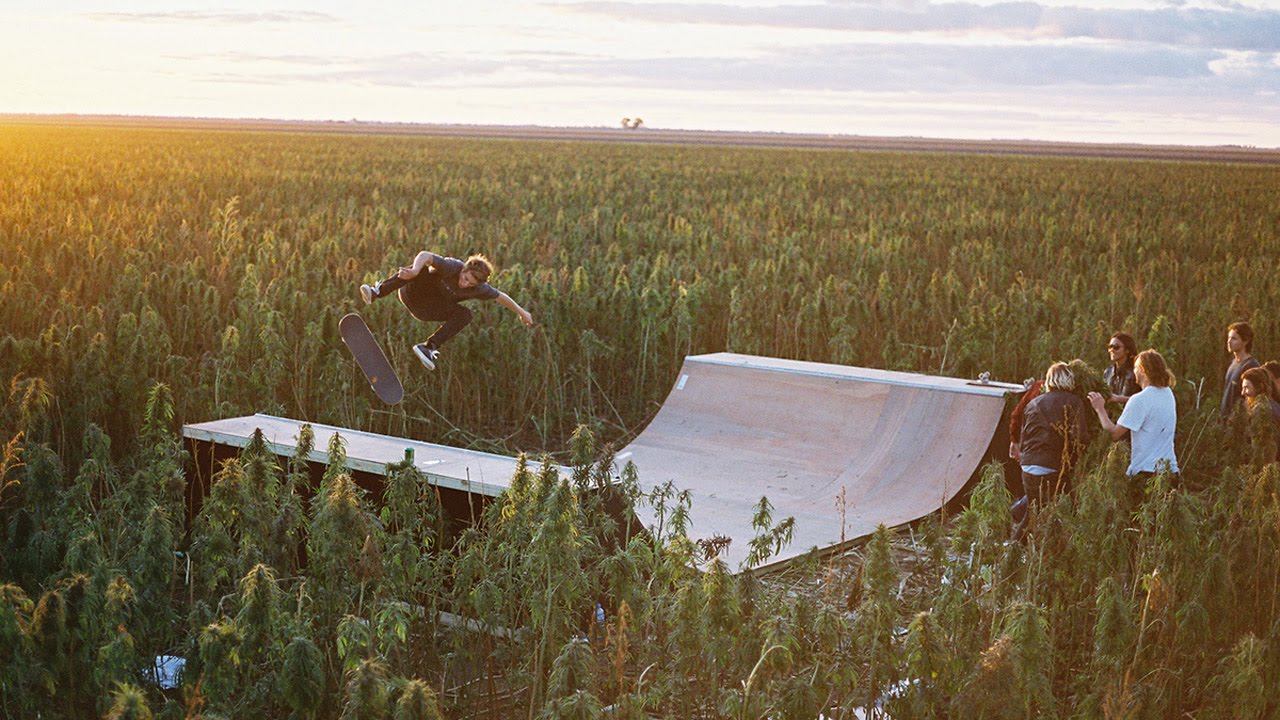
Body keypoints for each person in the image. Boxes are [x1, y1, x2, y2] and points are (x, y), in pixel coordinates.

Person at [360, 251, 534, 370]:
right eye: (465, 278)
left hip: (427, 309)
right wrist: (414, 270)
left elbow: (500, 297)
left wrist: (521, 312)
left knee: (465, 314)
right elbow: (425, 255)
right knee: (419, 268)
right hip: (411, 292)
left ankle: (428, 348)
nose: (464, 284)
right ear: (463, 269)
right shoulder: (452, 266)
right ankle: (378, 291)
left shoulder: (479, 289)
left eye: (470, 284)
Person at [1011, 362, 1090, 541]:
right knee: (1060, 507)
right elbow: (1080, 438)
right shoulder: (1073, 402)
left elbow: (1024, 435)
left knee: (1035, 507)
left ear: (1049, 380)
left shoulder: (1033, 403)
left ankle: (1018, 534)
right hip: (1051, 466)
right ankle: (1017, 550)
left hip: (1027, 464)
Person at [1087, 349, 1180, 501]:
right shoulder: (1168, 393)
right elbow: (1148, 404)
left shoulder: (1139, 400)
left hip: (1147, 474)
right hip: (1170, 471)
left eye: (1136, 367)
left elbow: (1115, 434)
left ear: (1143, 370)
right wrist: (1120, 399)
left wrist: (1100, 409)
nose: (1134, 371)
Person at [1220, 321, 1261, 423]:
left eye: (1234, 338)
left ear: (1245, 341)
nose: (1229, 341)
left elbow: (1252, 399)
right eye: (1229, 338)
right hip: (1225, 423)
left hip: (1238, 425)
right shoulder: (1233, 363)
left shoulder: (1251, 366)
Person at [1103, 332, 1139, 405]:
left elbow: (1143, 399)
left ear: (1127, 350)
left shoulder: (1136, 372)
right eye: (1110, 347)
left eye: (1116, 347)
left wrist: (1118, 399)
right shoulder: (1108, 372)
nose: (1111, 350)